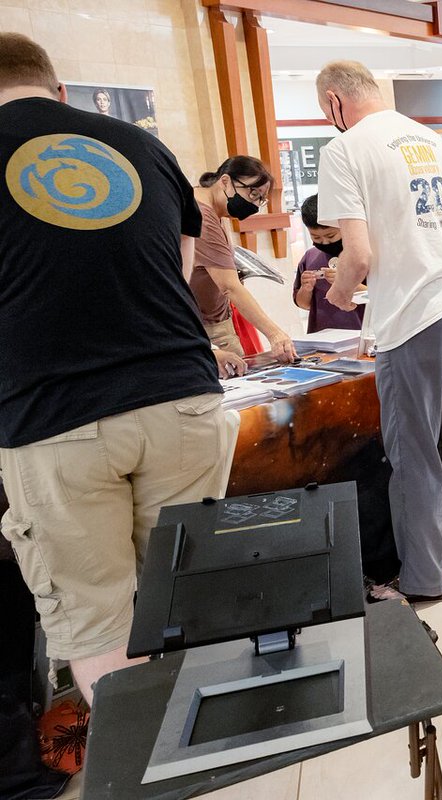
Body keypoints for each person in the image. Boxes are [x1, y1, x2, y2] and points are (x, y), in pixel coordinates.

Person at [0, 33, 230, 705]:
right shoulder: (142, 146)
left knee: (96, 620)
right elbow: (178, 271)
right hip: (183, 398)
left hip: (53, 416)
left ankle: (139, 756)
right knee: (184, 596)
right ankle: (202, 739)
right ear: (59, 89)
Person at [315, 59, 442, 602]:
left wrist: (339, 295)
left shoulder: (345, 148)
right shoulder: (434, 140)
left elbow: (357, 254)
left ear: (335, 101)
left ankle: (425, 578)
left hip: (411, 317)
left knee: (413, 453)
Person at [190, 156, 296, 361]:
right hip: (205, 329)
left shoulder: (213, 209)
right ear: (225, 181)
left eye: (260, 199)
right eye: (253, 193)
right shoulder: (202, 216)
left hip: (209, 322)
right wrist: (275, 334)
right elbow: (229, 287)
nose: (254, 204)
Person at [293, 194, 365, 334]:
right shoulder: (310, 257)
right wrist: (306, 289)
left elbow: (383, 299)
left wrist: (348, 284)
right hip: (321, 337)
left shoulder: (365, 255)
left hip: (363, 334)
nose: (325, 242)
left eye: (331, 236)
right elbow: (304, 304)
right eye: (316, 237)